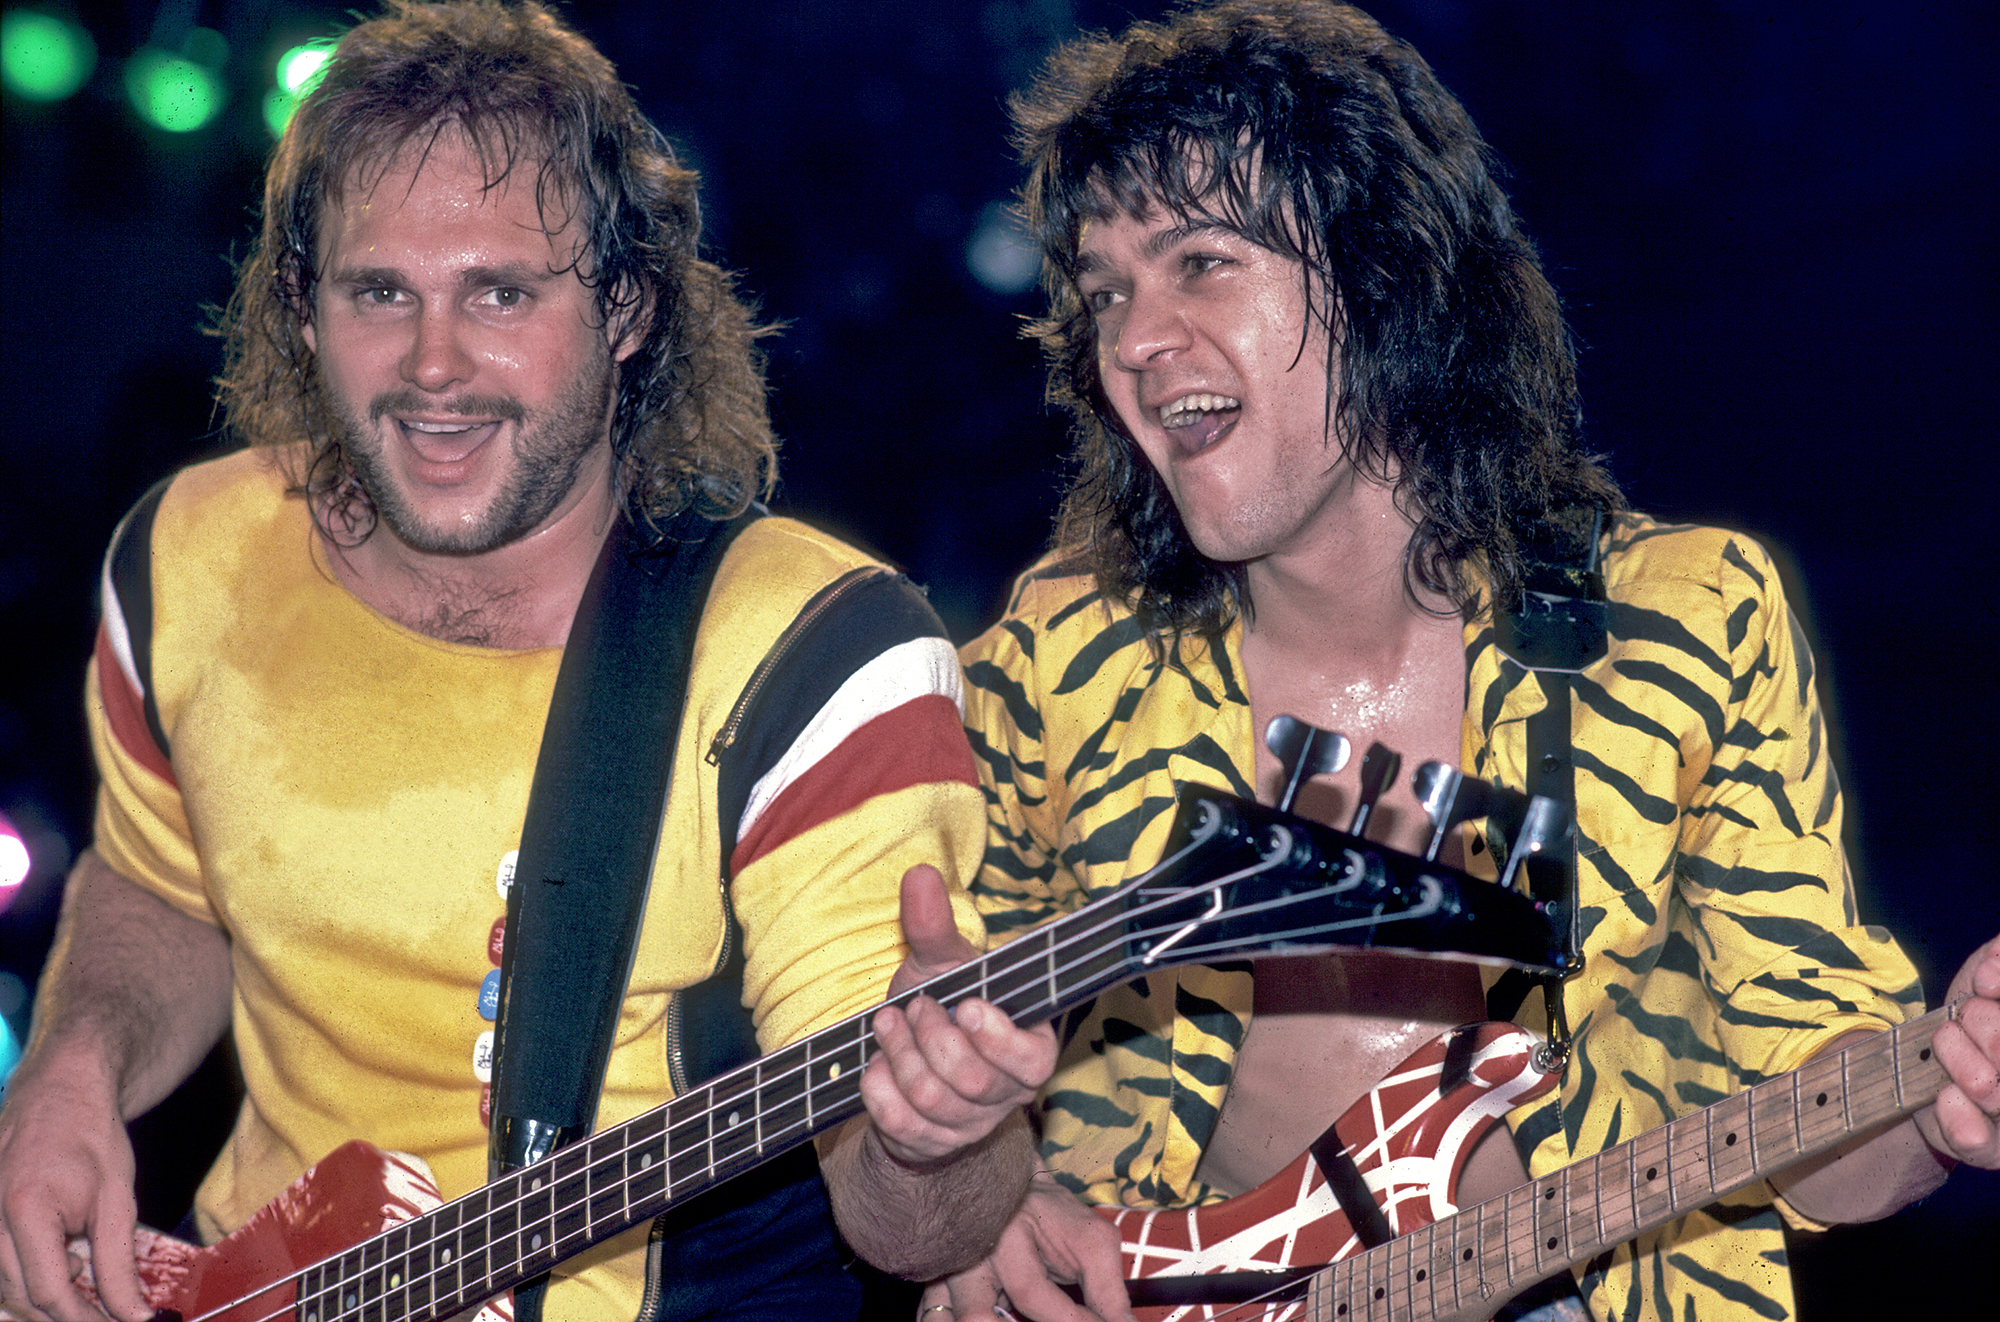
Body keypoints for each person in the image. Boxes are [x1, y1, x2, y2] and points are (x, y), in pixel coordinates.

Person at [935, 3, 2000, 1320]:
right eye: (1107, 291)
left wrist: (1950, 1091)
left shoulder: (1679, 622)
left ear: (1385, 277)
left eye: (1201, 261)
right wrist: (987, 1202)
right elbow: (916, 1081)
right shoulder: (1064, 658)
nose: (1136, 338)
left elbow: (1824, 1111)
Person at [0, 4, 1056, 1321]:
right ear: (302, 310)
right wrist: (69, 1070)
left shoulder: (812, 654)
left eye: (501, 292)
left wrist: (935, 1127)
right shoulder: (187, 555)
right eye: (379, 291)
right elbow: (166, 886)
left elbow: (909, 1228)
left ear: (625, 305)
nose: (435, 368)